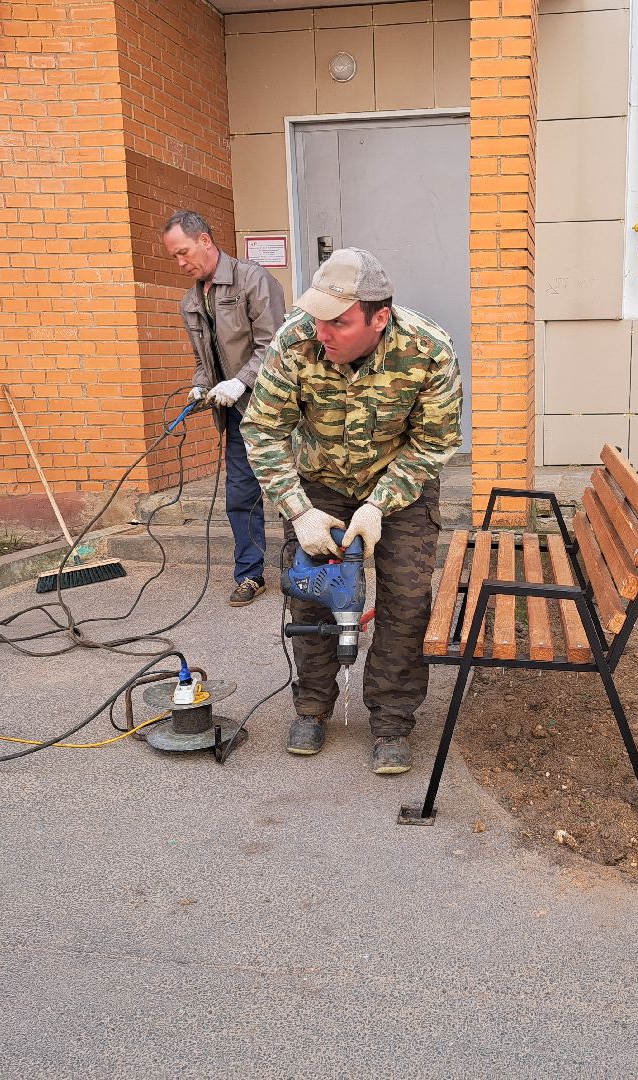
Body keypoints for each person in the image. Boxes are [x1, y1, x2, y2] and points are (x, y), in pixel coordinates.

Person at [241, 248, 463, 775]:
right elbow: (262, 430)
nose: (324, 332)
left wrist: (381, 504)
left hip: (400, 488)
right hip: (319, 483)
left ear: (378, 318)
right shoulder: (295, 342)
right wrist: (298, 511)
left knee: (406, 604)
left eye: (339, 322)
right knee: (311, 596)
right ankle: (313, 707)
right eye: (319, 318)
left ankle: (390, 720)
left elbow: (434, 443)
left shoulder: (428, 352)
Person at [162, 210, 286, 606]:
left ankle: (302, 572)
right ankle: (250, 575)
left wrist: (240, 381)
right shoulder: (190, 302)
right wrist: (201, 388)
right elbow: (204, 360)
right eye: (174, 257)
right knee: (240, 493)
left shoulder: (254, 280)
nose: (181, 263)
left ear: (205, 240)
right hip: (234, 413)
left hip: (277, 409)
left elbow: (275, 347)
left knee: (288, 489)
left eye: (183, 253)